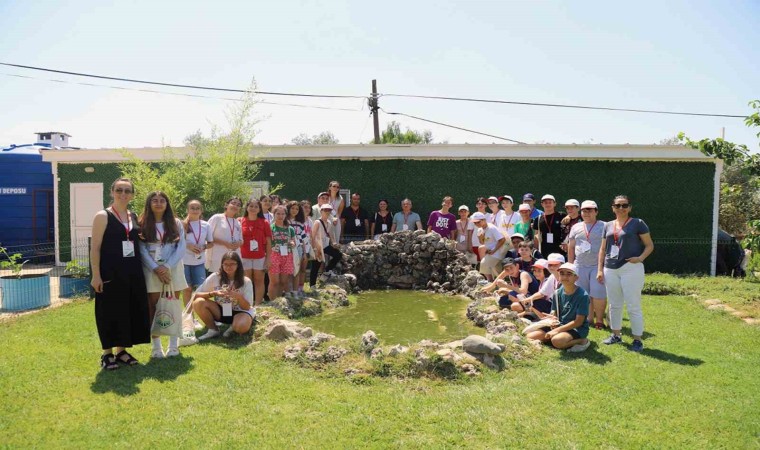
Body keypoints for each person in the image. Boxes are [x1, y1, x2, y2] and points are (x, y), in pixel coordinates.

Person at [90, 178, 150, 370]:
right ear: (112, 192)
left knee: (127, 310)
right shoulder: (103, 215)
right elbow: (95, 248)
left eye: (127, 190)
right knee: (108, 311)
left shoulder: (133, 216)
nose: (123, 194)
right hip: (110, 272)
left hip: (132, 272)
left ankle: (121, 351)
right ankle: (107, 354)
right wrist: (96, 275)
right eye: (119, 190)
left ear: (132, 194)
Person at [597, 195, 654, 352]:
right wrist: (600, 269)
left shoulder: (638, 223)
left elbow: (649, 245)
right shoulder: (607, 225)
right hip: (610, 269)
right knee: (614, 305)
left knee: (633, 305)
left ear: (629, 208)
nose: (621, 208)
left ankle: (637, 340)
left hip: (631, 268)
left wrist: (640, 258)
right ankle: (616, 335)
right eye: (618, 205)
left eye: (624, 205)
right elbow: (602, 249)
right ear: (613, 208)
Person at [137, 191, 189, 359]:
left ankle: (173, 344)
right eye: (154, 200)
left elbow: (181, 247)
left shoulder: (176, 223)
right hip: (151, 270)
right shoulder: (142, 223)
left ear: (167, 204)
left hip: (172, 269)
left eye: (162, 201)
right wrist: (156, 268)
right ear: (149, 203)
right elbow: (141, 249)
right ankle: (156, 346)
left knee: (173, 304)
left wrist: (166, 266)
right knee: (153, 307)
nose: (158, 203)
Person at [525, 263, 591, 352]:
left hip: (576, 328)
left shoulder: (582, 295)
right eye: (562, 274)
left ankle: (582, 341)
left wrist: (557, 330)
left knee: (557, 341)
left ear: (576, 278)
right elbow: (554, 310)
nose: (565, 276)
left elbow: (578, 322)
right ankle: (555, 338)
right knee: (530, 336)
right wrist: (552, 316)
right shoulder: (557, 292)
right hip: (559, 324)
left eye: (569, 274)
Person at [193, 251, 255, 340]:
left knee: (241, 328)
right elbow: (195, 295)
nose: (228, 267)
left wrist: (237, 296)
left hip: (240, 311)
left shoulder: (246, 281)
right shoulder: (215, 277)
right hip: (222, 310)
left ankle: (233, 327)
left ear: (238, 265)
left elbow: (247, 307)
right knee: (198, 302)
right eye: (225, 264)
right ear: (221, 265)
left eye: (232, 264)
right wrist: (213, 293)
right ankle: (213, 329)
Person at [567, 200, 607, 329]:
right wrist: (570, 265)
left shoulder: (604, 226)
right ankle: (589, 319)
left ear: (596, 211)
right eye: (584, 210)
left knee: (599, 293)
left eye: (589, 210)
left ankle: (599, 320)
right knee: (584, 294)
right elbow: (571, 247)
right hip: (580, 265)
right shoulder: (576, 227)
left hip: (597, 266)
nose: (586, 213)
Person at [181, 199, 213, 331]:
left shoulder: (206, 225)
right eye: (192, 208)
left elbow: (211, 243)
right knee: (187, 289)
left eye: (197, 208)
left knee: (200, 291)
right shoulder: (182, 224)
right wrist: (188, 245)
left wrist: (203, 247)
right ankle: (189, 319)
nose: (195, 210)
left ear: (201, 211)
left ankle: (204, 318)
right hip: (184, 261)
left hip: (199, 261)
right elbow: (176, 241)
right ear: (187, 210)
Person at [240, 199, 271, 305]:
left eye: (256, 207)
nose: (253, 208)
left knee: (259, 281)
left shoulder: (264, 222)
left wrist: (268, 259)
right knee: (246, 281)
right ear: (247, 207)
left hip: (260, 256)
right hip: (244, 256)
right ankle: (247, 304)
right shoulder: (240, 221)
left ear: (259, 209)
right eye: (251, 206)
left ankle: (257, 305)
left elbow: (268, 242)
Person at [310, 203, 344, 286]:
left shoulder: (329, 222)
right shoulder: (317, 222)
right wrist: (314, 248)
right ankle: (312, 285)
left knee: (338, 255)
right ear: (321, 211)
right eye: (325, 210)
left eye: (329, 210)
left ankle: (327, 271)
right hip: (318, 245)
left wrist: (334, 243)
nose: (327, 212)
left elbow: (331, 234)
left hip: (325, 244)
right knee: (316, 266)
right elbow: (313, 236)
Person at [268, 205, 296, 300]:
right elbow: (267, 243)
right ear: (274, 214)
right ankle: (272, 301)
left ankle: (278, 300)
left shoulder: (290, 228)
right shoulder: (270, 228)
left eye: (283, 214)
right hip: (274, 255)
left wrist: (292, 243)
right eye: (278, 214)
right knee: (274, 281)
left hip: (287, 255)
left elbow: (293, 241)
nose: (280, 216)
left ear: (286, 215)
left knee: (283, 281)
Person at [207, 197, 243, 272]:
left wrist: (238, 243)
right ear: (226, 205)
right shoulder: (217, 218)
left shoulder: (237, 222)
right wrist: (225, 243)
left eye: (238, 205)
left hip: (233, 257)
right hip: (218, 256)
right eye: (233, 203)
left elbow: (241, 240)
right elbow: (207, 236)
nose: (235, 206)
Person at [472, 211, 508, 280]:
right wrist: (480, 238)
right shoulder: (480, 230)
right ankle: (496, 284)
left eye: (478, 222)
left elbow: (502, 239)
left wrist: (494, 250)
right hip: (491, 253)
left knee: (484, 264)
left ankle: (490, 281)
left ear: (484, 220)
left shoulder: (492, 228)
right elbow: (482, 243)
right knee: (497, 271)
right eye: (475, 222)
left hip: (497, 252)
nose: (476, 224)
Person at [287, 201, 309, 297]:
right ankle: (288, 290)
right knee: (288, 270)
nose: (294, 210)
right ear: (288, 209)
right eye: (292, 208)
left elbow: (303, 239)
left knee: (297, 270)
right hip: (287, 248)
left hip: (298, 248)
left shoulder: (300, 223)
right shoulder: (284, 221)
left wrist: (304, 253)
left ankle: (295, 291)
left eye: (297, 209)